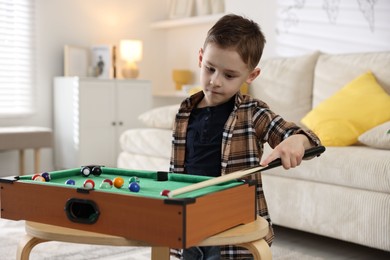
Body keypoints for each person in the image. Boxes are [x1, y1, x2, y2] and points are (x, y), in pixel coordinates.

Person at [169, 14, 321, 259]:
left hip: (230, 226)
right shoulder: (185, 111)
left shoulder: (253, 112)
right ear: (200, 58)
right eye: (210, 68)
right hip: (187, 220)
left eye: (229, 76)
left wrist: (297, 140)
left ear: (251, 75)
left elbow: (301, 136)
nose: (215, 81)